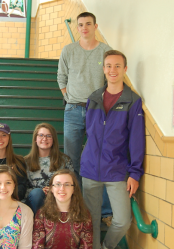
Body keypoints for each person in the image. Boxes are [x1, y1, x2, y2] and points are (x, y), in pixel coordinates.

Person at [80, 50, 145, 249]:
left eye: (117, 66)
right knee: (92, 221)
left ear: (125, 69)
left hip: (117, 170)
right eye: (108, 66)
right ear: (103, 69)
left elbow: (136, 140)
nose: (112, 70)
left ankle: (106, 247)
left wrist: (135, 173)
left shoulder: (133, 101)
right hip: (90, 169)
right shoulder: (94, 98)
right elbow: (89, 132)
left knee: (123, 220)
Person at [57, 12, 112, 188]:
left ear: (95, 27)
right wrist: (68, 98)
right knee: (71, 159)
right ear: (77, 27)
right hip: (72, 110)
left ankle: (98, 206)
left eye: (88, 24)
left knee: (97, 155)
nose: (84, 28)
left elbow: (110, 79)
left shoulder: (105, 51)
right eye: (80, 25)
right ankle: (75, 201)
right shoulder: (69, 50)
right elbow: (61, 77)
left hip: (97, 110)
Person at [32, 169, 92, 248]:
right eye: (58, 184)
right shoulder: (42, 214)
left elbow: (86, 246)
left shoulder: (84, 214)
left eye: (67, 184)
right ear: (52, 189)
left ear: (74, 189)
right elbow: (37, 246)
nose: (62, 188)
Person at [24, 123, 74, 214]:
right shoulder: (25, 162)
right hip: (35, 202)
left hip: (58, 198)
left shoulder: (64, 160)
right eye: (41, 135)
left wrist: (54, 189)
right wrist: (41, 191)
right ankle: (37, 225)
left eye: (48, 136)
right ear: (35, 139)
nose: (44, 139)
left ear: (53, 139)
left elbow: (72, 185)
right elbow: (22, 189)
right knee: (37, 193)